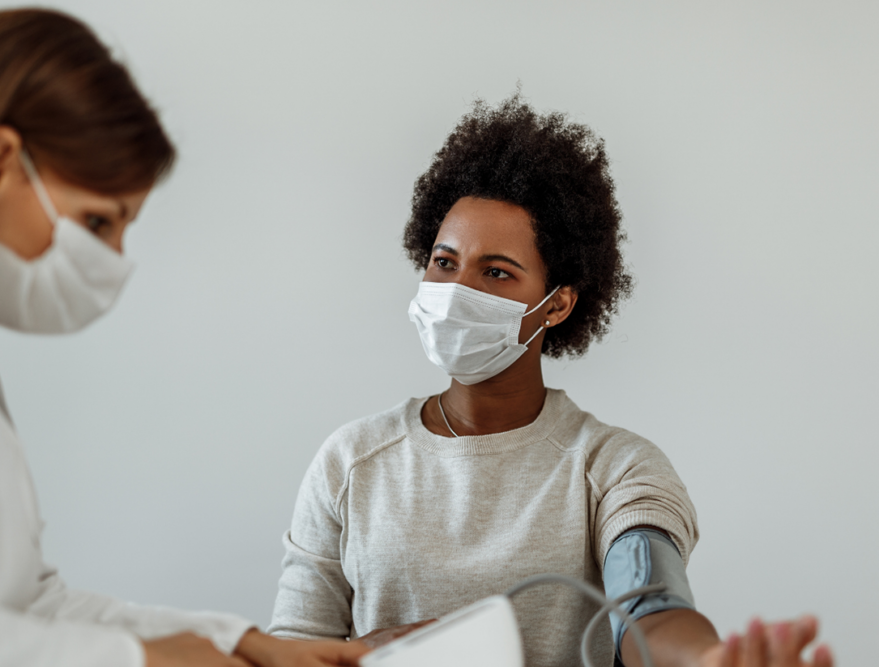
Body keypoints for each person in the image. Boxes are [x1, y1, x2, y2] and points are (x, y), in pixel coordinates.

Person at [0, 9, 368, 667]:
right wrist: (142, 658)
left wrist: (241, 641)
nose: (114, 261)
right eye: (97, 222)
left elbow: (27, 606)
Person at [267, 95, 833, 667]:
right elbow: (287, 648)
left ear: (557, 303)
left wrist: (704, 659)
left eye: (495, 272)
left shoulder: (613, 468)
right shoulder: (351, 462)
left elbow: (650, 606)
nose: (457, 291)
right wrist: (365, 654)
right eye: (444, 262)